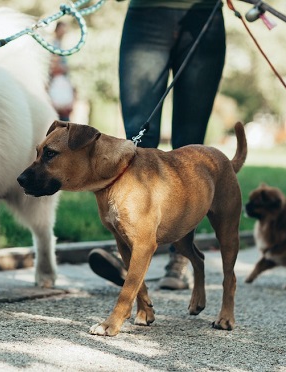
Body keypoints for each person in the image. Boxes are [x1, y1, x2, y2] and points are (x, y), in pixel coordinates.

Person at [88, 0, 226, 290]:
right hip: (147, 14)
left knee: (190, 147)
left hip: (204, 15)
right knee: (138, 138)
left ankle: (181, 255)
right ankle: (127, 246)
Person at [48, 22, 75, 121]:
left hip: (60, 82)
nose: (63, 32)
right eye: (62, 30)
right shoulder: (54, 45)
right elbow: (54, 64)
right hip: (55, 83)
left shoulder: (60, 45)